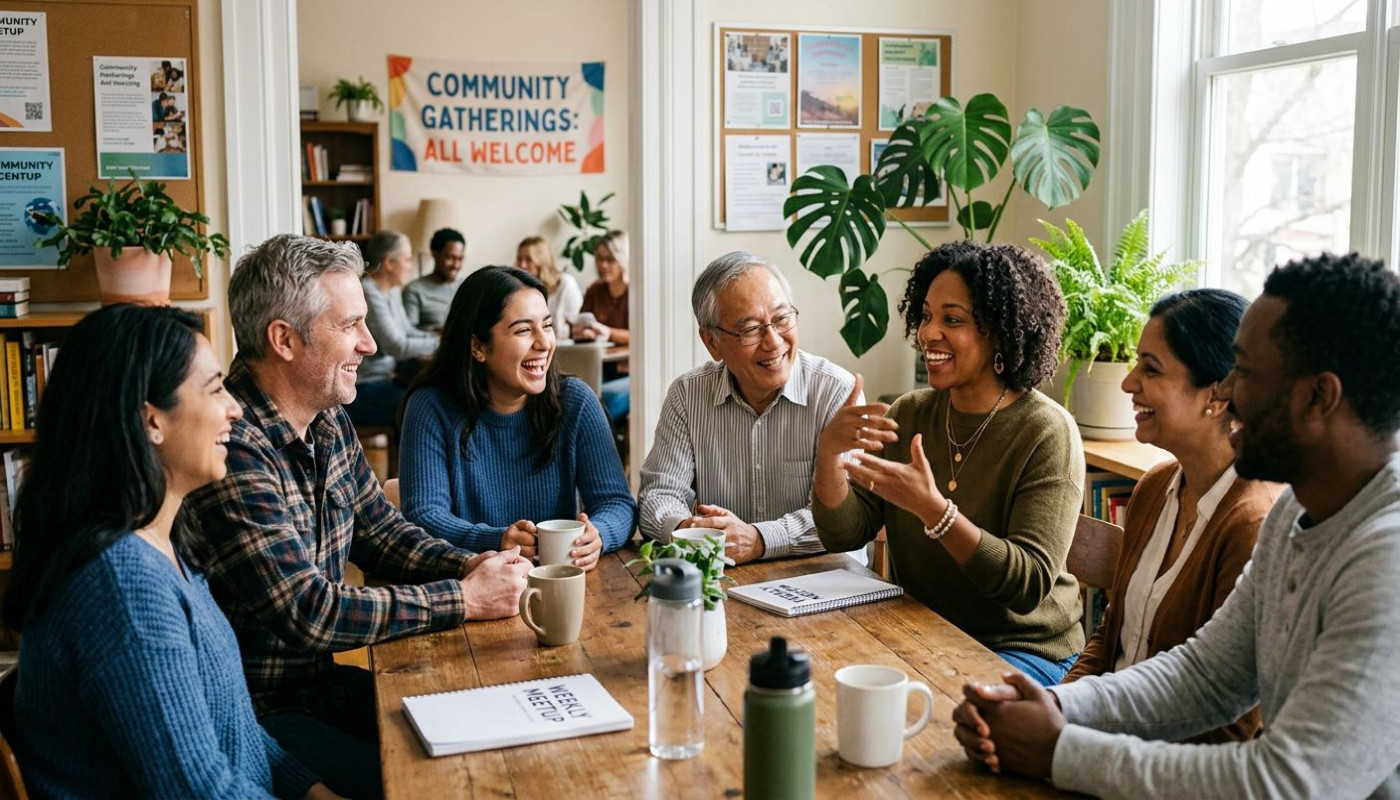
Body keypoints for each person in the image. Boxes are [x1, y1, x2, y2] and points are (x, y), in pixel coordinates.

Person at [953, 252, 1400, 799]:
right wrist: (1053, 706)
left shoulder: (1386, 559)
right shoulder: (1297, 512)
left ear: (1318, 397)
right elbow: (1206, 677)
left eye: (1248, 375)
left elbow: (1293, 784)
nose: (1228, 392)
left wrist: (1060, 750)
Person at [187, 234, 531, 799]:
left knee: (492, 740)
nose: (369, 344)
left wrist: (476, 563)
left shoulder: (322, 414)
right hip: (258, 719)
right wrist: (465, 598)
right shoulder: (233, 444)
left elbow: (379, 530)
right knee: (448, 785)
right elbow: (307, 610)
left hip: (320, 688)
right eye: (349, 326)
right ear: (285, 340)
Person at [3, 305, 332, 799]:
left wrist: (312, 791)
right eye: (215, 388)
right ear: (150, 420)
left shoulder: (165, 545)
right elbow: (197, 790)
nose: (235, 408)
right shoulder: (122, 584)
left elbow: (233, 731)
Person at [812, 240, 1085, 686]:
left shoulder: (1047, 431)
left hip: (1025, 650)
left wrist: (935, 512)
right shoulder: (910, 413)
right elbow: (844, 532)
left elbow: (1027, 586)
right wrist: (828, 455)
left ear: (999, 331)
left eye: (952, 320)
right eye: (925, 316)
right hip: (925, 633)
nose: (928, 333)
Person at [1060, 289, 1277, 743]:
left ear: (1217, 394)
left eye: (1151, 368)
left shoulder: (1253, 525)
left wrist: (1078, 749)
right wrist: (1053, 708)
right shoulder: (1155, 487)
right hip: (1098, 738)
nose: (1127, 382)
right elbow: (1110, 636)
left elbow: (1232, 727)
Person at [400, 266, 634, 566]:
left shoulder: (575, 401)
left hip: (562, 586)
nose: (544, 343)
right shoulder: (430, 407)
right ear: (478, 346)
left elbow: (617, 503)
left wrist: (598, 535)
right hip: (473, 587)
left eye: (547, 326)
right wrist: (497, 540)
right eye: (524, 330)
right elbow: (423, 517)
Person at [638, 251, 854, 565]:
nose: (774, 341)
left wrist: (759, 539)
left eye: (782, 319)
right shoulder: (688, 394)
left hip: (825, 581)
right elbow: (658, 494)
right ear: (712, 342)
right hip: (727, 582)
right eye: (750, 329)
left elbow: (846, 517)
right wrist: (688, 529)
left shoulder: (835, 391)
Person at [347, 230, 438, 426]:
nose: (410, 265)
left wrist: (437, 336)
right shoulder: (368, 293)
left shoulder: (393, 290)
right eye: (407, 259)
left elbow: (407, 331)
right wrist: (442, 342)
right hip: (363, 387)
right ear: (389, 262)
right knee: (422, 408)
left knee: (431, 395)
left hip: (387, 378)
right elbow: (397, 346)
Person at [575, 230, 630, 421]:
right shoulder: (595, 290)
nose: (603, 265)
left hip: (631, 370)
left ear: (623, 258)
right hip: (601, 366)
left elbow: (643, 336)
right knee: (575, 393)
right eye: (599, 259)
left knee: (602, 398)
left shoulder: (637, 291)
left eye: (610, 259)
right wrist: (582, 331)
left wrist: (608, 332)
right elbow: (581, 322)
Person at [516, 236, 582, 338]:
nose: (522, 265)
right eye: (520, 259)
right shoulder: (521, 290)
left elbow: (577, 326)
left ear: (542, 260)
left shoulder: (566, 283)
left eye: (529, 259)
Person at [403, 227, 465, 332]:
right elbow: (409, 334)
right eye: (450, 258)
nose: (456, 265)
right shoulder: (414, 290)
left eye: (460, 259)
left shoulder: (466, 286)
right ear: (435, 254)